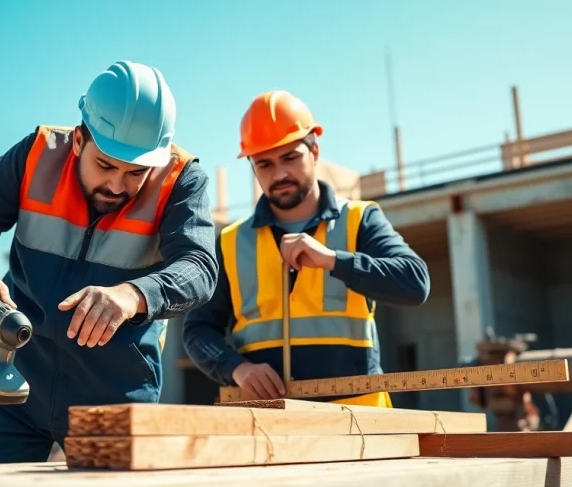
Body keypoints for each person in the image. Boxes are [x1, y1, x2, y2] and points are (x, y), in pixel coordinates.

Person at [0, 60, 219, 464]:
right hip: (7, 385)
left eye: (136, 172)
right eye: (106, 165)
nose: (118, 185)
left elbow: (200, 267)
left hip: (116, 397)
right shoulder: (37, 155)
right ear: (80, 140)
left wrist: (133, 294)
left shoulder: (181, 181)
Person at [182, 90, 430, 407]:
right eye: (265, 164)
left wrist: (332, 260)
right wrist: (236, 368)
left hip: (361, 420)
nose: (280, 174)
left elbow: (415, 283)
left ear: (314, 151)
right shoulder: (230, 241)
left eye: (290, 158)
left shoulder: (360, 220)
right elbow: (197, 330)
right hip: (266, 419)